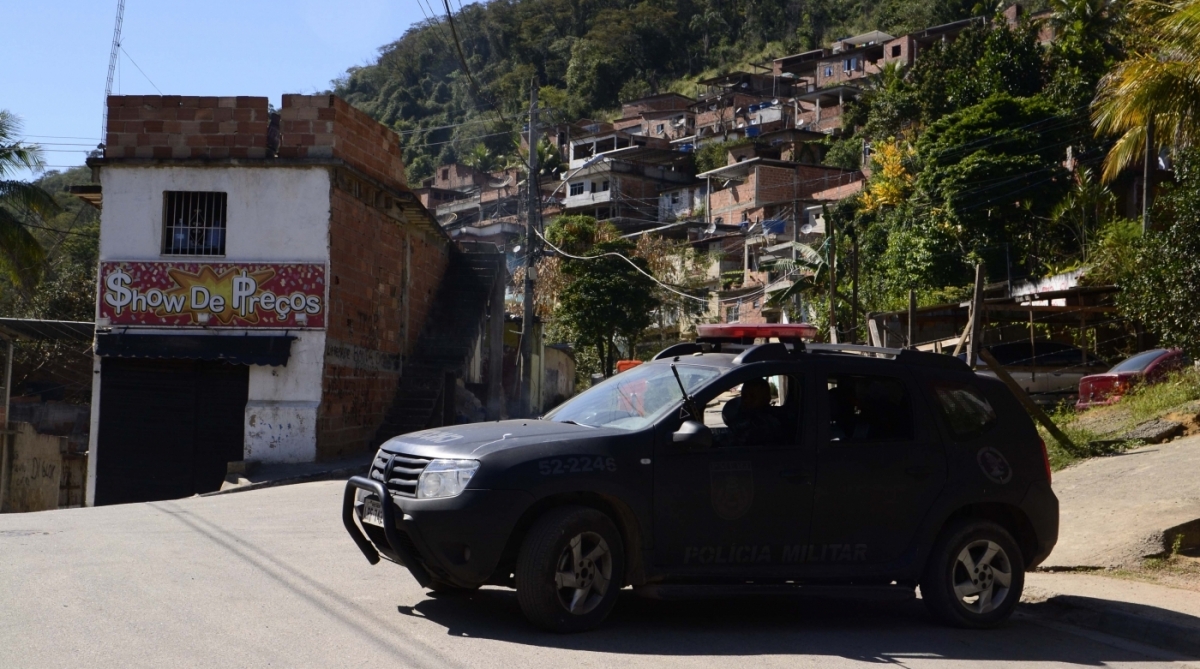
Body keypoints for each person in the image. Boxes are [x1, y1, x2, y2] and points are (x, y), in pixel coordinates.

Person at [721, 378, 784, 448]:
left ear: (766, 399)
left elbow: (731, 441)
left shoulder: (761, 424)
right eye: (744, 396)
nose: (746, 400)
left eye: (752, 397)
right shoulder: (747, 416)